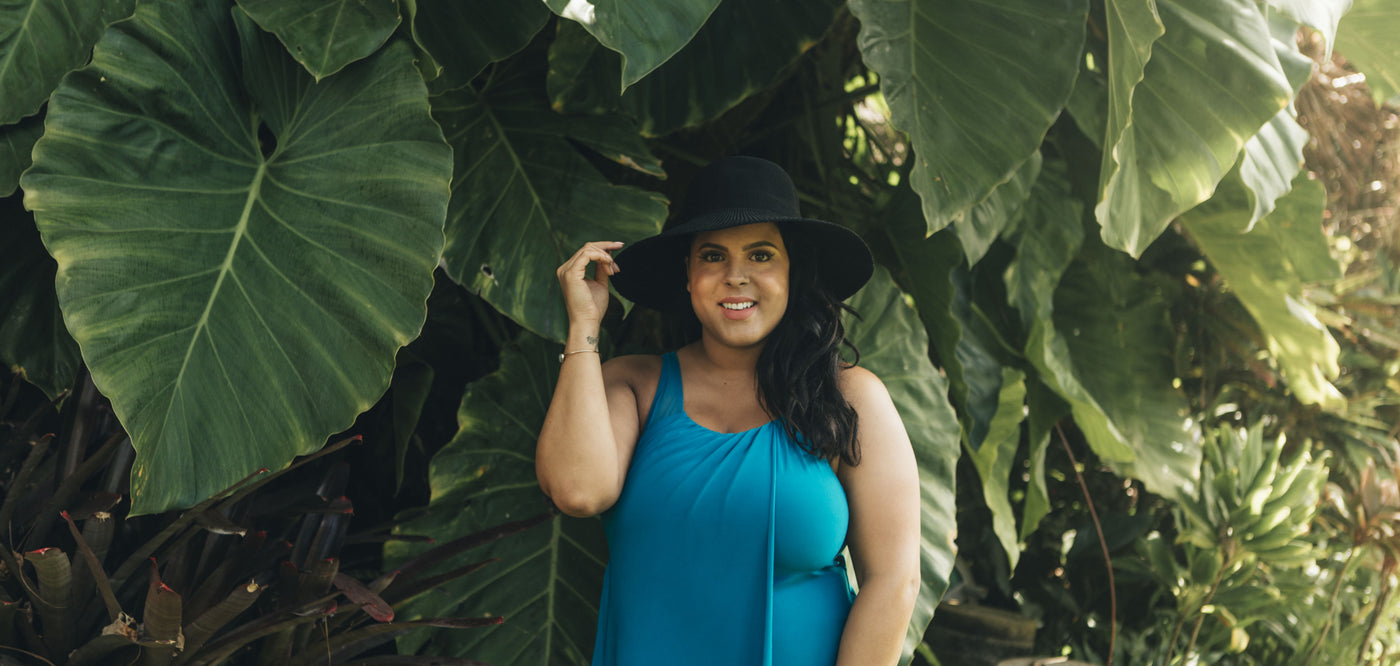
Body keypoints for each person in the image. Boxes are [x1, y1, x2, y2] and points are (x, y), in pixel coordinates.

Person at [535, 156, 920, 665]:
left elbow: (894, 580)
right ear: (689, 276)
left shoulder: (850, 399)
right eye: (713, 257)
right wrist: (584, 325)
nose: (735, 276)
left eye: (761, 255)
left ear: (792, 273)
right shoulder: (636, 385)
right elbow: (578, 491)